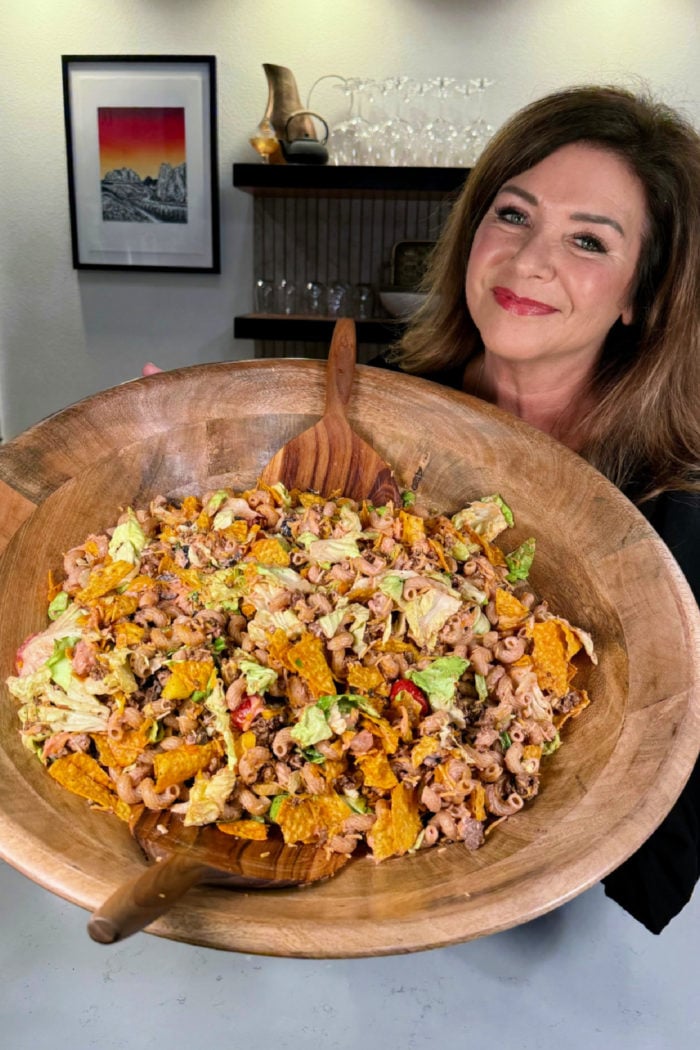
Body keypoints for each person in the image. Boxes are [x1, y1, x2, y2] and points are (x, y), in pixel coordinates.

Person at [381, 84, 700, 934]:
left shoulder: (681, 506)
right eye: (514, 215)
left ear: (641, 293)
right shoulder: (375, 416)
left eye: (588, 240)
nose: (528, 263)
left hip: (581, 924)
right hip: (360, 889)